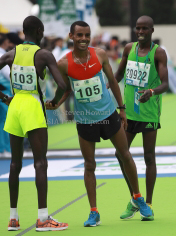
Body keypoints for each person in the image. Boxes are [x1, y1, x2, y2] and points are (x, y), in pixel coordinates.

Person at [46, 21, 153, 226]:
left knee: (125, 155)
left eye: (87, 35)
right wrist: (56, 103)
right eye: (79, 35)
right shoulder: (63, 63)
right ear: (71, 36)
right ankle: (94, 212)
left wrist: (121, 109)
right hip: (85, 120)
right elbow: (66, 89)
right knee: (89, 165)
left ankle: (138, 197)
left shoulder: (100, 54)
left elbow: (112, 81)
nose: (84, 39)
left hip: (109, 114)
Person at [0, 15, 68, 231]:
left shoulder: (11, 53)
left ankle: (13, 218)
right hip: (33, 107)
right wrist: (55, 103)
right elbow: (63, 85)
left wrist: (3, 98)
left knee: (14, 164)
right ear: (39, 31)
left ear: (23, 30)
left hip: (15, 106)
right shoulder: (44, 54)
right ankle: (43, 218)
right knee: (40, 162)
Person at [114, 15, 168, 221]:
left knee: (149, 157)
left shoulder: (158, 53)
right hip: (129, 112)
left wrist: (152, 92)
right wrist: (107, 84)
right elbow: (118, 74)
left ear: (152, 30)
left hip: (148, 113)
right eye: (138, 28)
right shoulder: (129, 49)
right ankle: (136, 198)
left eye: (145, 28)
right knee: (121, 154)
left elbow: (165, 83)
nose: (140, 32)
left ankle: (150, 204)